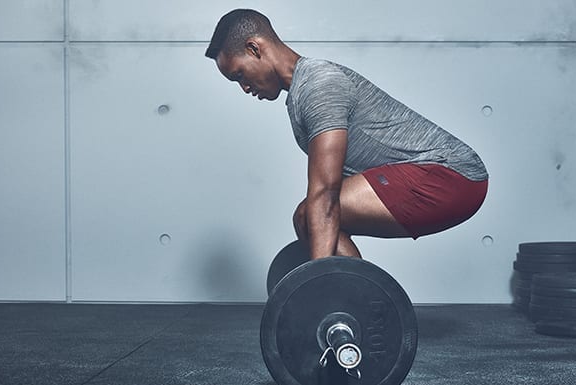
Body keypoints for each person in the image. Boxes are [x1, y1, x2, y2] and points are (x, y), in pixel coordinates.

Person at [205, 9, 489, 260]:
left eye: (239, 75)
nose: (243, 87)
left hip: (451, 176)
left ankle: (356, 304)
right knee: (309, 219)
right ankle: (361, 307)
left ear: (255, 48)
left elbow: (326, 192)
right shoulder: (302, 92)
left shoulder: (319, 85)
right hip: (441, 177)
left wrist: (316, 282)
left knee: (312, 214)